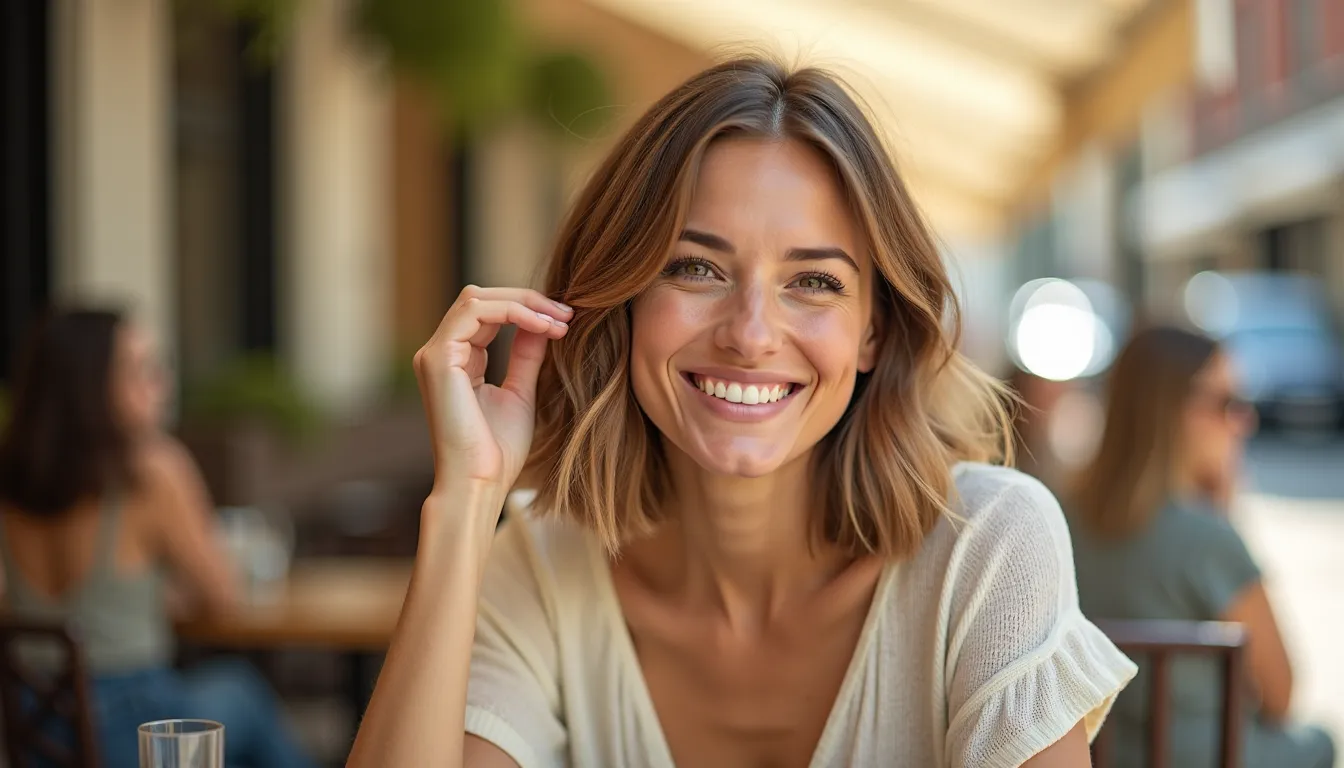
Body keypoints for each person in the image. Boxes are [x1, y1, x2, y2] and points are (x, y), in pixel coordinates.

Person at [350, 56, 1136, 768]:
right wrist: (465, 501)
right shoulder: (544, 565)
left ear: (874, 330)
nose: (751, 335)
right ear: (623, 302)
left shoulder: (987, 547)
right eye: (695, 268)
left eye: (814, 282)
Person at [0, 308, 318, 768]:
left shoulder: (14, 479)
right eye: (142, 370)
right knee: (241, 691)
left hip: (39, 729)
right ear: (91, 386)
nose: (162, 383)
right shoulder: (150, 470)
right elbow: (222, 597)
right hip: (134, 729)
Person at [1068, 325, 1335, 768]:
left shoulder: (1060, 513)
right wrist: (1225, 510)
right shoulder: (1207, 537)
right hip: (1210, 755)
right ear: (1171, 409)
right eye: (1226, 403)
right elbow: (1280, 695)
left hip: (1099, 754)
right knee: (1319, 741)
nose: (1243, 421)